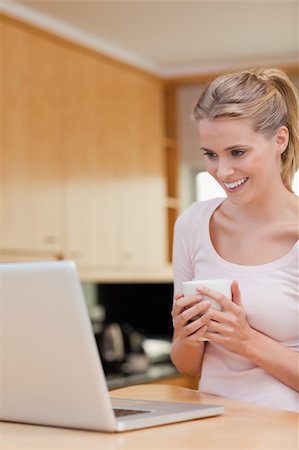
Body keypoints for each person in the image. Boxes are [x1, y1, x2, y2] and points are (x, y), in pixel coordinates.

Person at [170, 67, 299, 412]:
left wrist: (246, 341)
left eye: (237, 152)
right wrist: (186, 334)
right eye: (211, 155)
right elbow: (188, 366)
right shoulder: (192, 224)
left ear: (280, 140)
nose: (222, 172)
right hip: (210, 427)